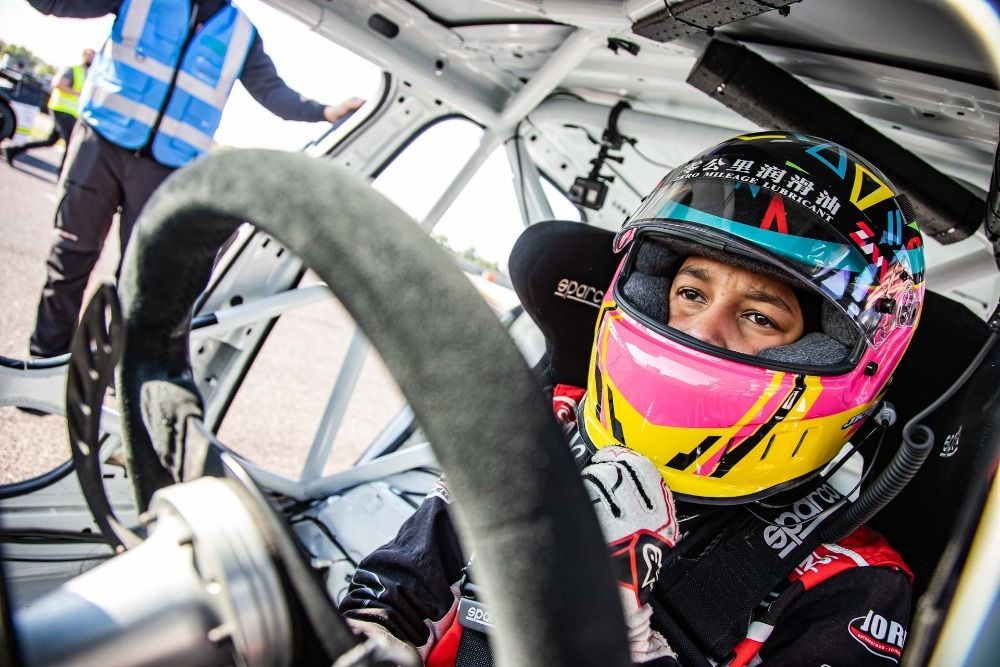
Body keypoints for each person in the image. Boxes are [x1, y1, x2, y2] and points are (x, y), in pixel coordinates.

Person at [337, 132, 927, 666]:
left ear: (841, 355)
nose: (701, 331)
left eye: (758, 316)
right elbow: (396, 594)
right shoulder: (552, 427)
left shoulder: (851, 583)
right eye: (691, 292)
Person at [23, 0, 366, 359]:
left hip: (165, 170)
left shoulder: (241, 34)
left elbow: (274, 93)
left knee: (140, 283)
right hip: (101, 144)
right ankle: (45, 358)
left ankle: (111, 371)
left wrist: (325, 112)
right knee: (70, 258)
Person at [3, 47, 94, 171]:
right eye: (90, 56)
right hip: (61, 109)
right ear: (84, 56)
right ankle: (63, 174)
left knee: (51, 141)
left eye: (94, 57)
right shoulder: (73, 70)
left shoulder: (87, 75)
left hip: (70, 112)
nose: (92, 59)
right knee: (71, 142)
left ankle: (12, 150)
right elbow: (57, 84)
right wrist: (78, 93)